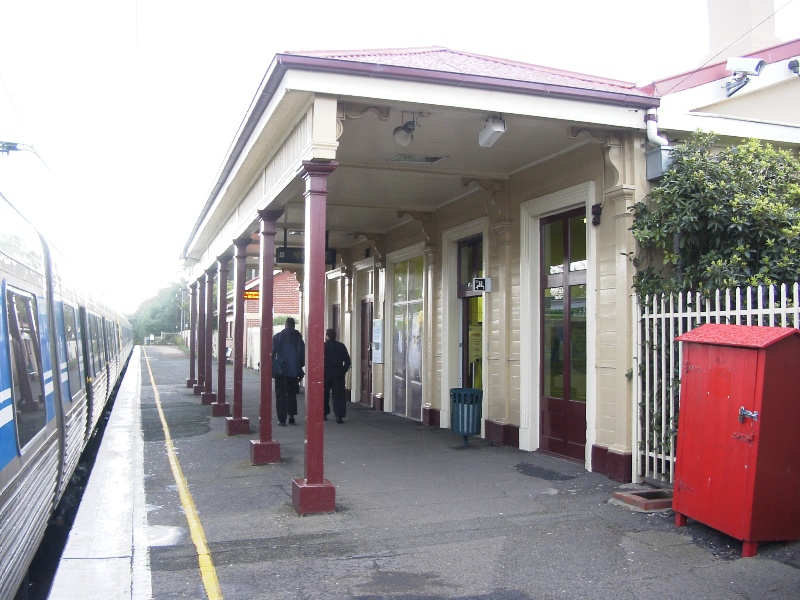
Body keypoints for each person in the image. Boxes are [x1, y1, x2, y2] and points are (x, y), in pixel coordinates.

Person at [272, 317, 305, 426]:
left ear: (285, 325)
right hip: (294, 370)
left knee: (280, 394)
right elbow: (303, 356)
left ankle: (282, 420)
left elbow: (271, 353)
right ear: (294, 326)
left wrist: (273, 365)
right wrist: (299, 366)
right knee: (291, 393)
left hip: (281, 370)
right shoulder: (299, 339)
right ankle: (291, 416)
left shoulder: (277, 337)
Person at [324, 328, 351, 423]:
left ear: (327, 336)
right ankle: (339, 415)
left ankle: (324, 414)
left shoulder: (323, 346)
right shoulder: (341, 346)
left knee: (324, 394)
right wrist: (343, 370)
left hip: (326, 372)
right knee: (338, 394)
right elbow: (348, 361)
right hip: (338, 372)